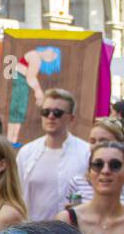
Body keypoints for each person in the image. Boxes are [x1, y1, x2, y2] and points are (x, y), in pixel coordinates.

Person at [17, 89, 90, 221]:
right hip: (31, 232)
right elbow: (16, 193)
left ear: (71, 118)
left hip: (71, 233)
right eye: (45, 112)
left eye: (57, 113)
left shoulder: (86, 153)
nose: (51, 116)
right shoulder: (26, 152)